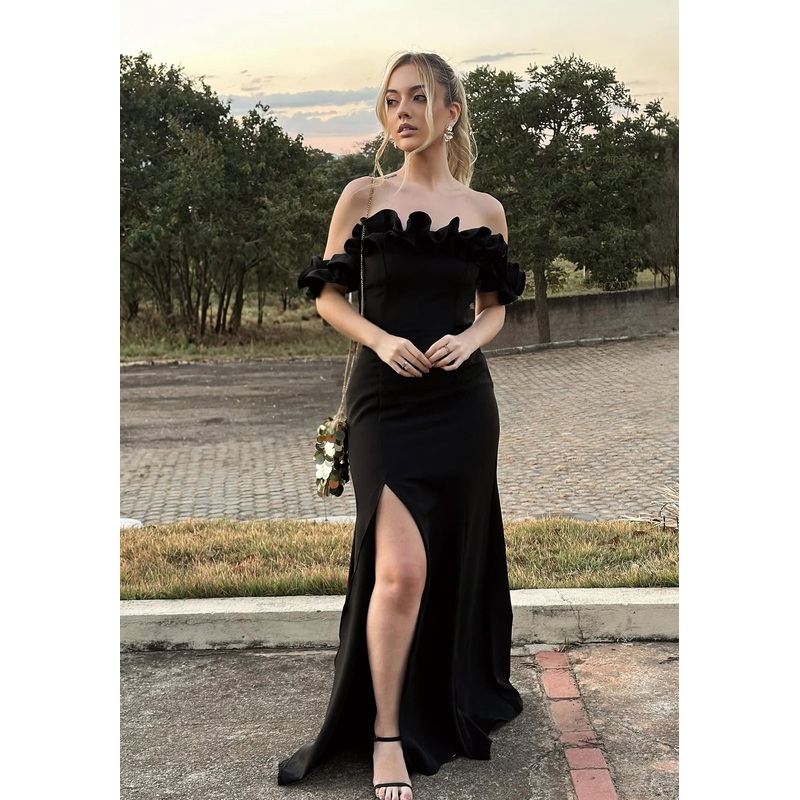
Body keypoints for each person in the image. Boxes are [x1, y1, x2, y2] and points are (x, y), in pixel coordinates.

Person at [278, 51, 525, 800]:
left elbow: (494, 309)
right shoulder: (363, 195)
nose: (403, 112)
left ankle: (442, 694)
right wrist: (381, 339)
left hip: (462, 405)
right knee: (400, 571)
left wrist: (469, 340)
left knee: (449, 556)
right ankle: (386, 734)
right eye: (391, 100)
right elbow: (328, 296)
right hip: (385, 402)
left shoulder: (485, 211)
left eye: (419, 97)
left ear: (451, 110)